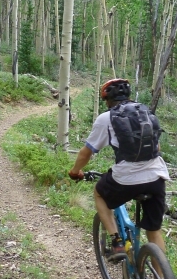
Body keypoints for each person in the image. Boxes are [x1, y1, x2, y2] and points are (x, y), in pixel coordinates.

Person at [69, 78, 170, 261]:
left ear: (107, 99)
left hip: (126, 179)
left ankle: (116, 242)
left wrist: (75, 171)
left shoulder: (106, 118)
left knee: (99, 193)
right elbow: (157, 148)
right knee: (154, 232)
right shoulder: (144, 112)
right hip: (156, 177)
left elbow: (86, 152)